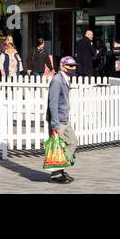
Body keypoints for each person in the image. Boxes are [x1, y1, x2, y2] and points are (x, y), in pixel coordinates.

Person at [45, 55, 77, 184]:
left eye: (74, 66)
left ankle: (61, 168)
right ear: (62, 66)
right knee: (56, 147)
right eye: (70, 66)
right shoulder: (57, 80)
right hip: (58, 120)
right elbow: (53, 103)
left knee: (72, 142)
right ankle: (56, 175)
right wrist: (55, 125)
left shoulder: (66, 79)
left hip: (64, 118)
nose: (73, 68)